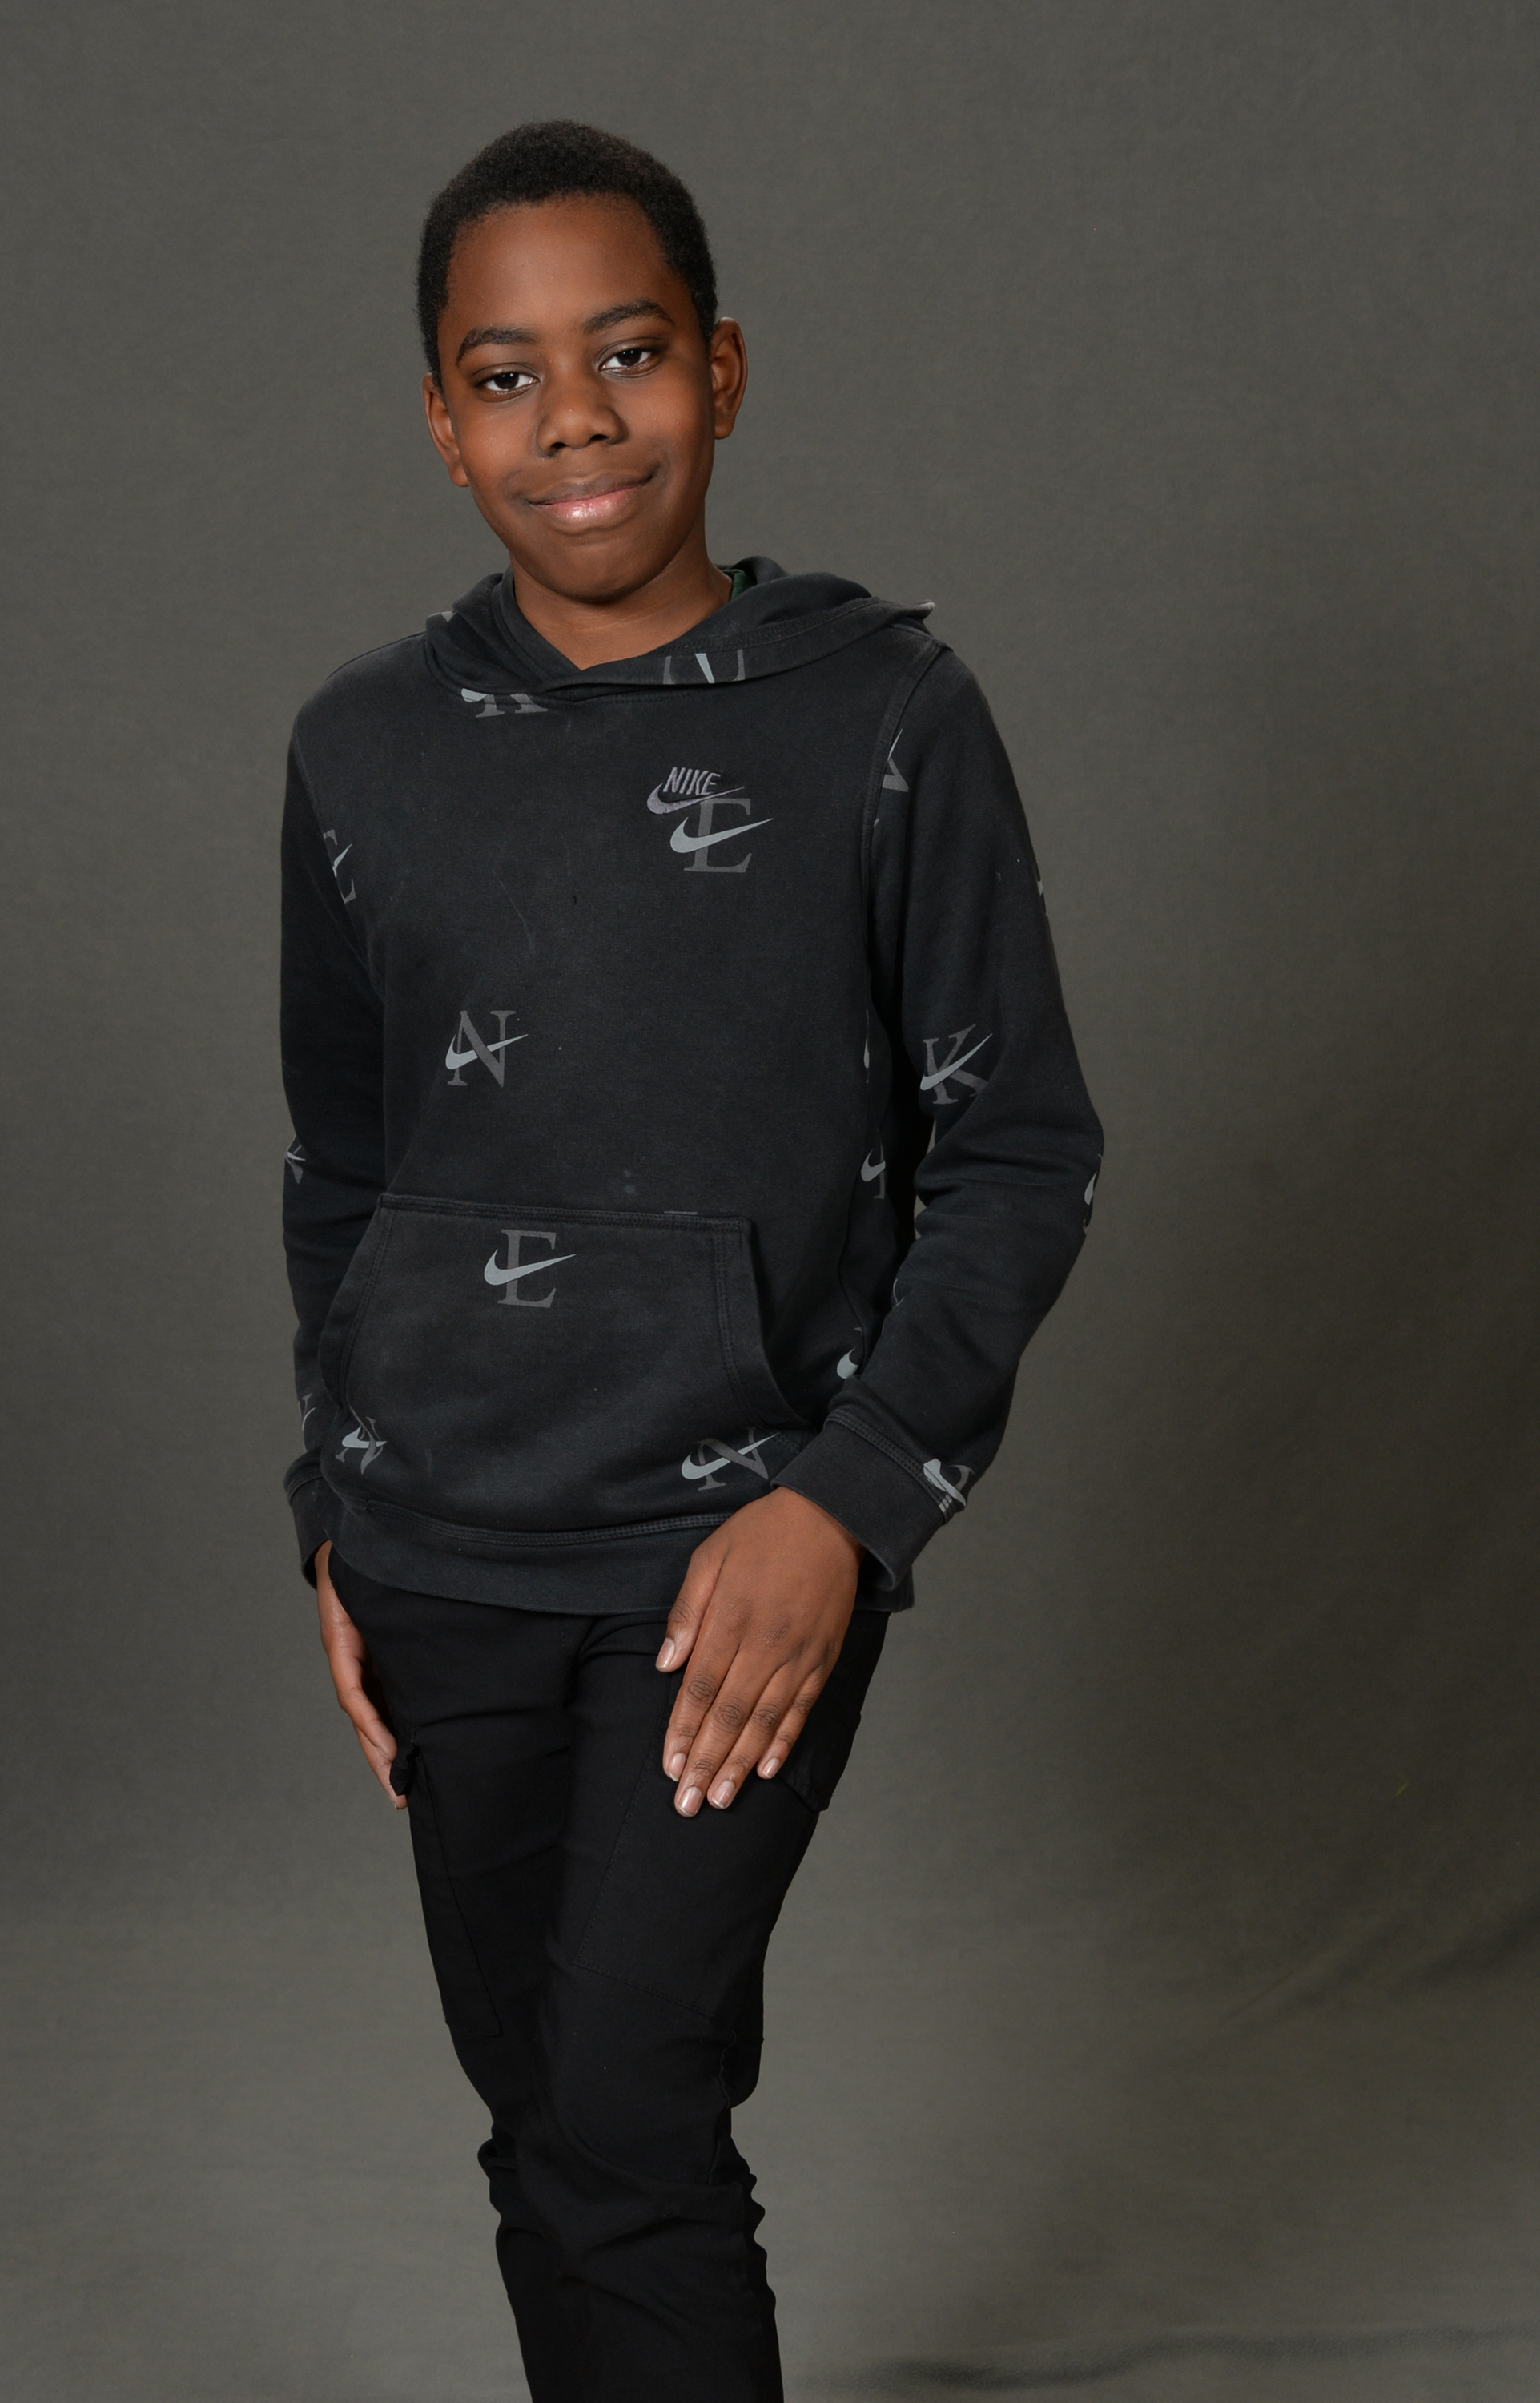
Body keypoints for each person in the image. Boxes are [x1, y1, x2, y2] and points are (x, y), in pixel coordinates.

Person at [279, 119, 1101, 2403]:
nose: (577, 420)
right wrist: (330, 1506)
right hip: (442, 1548)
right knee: (548, 2121)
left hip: (735, 1548)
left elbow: (1021, 1152)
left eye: (627, 355)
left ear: (721, 372)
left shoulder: (887, 722)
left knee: (632, 2106)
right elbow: (347, 1171)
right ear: (442, 420)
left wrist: (851, 1501)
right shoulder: (359, 749)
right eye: (509, 376)